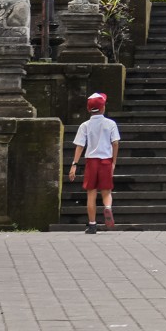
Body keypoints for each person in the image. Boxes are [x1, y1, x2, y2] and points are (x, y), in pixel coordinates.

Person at [69, 92, 120, 233]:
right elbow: (115, 143)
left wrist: (74, 164)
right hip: (106, 161)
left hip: (91, 162)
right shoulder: (110, 124)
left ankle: (92, 225)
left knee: (91, 193)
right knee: (106, 191)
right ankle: (108, 208)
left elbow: (80, 145)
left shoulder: (85, 125)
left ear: (88, 109)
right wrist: (113, 162)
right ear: (103, 108)